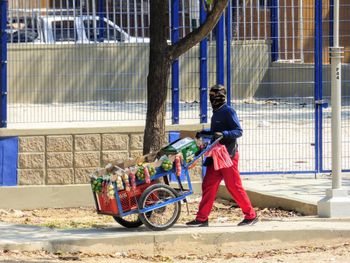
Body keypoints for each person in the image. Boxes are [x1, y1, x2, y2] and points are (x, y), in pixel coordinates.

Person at [186, 84, 257, 227]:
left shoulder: (228, 111)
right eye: (211, 96)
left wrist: (224, 134)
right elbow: (215, 131)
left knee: (234, 186)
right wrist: (203, 133)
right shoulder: (216, 112)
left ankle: (251, 216)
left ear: (223, 96)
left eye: (216, 95)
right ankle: (202, 219)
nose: (213, 98)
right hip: (216, 155)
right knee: (208, 185)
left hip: (227, 157)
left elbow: (238, 131)